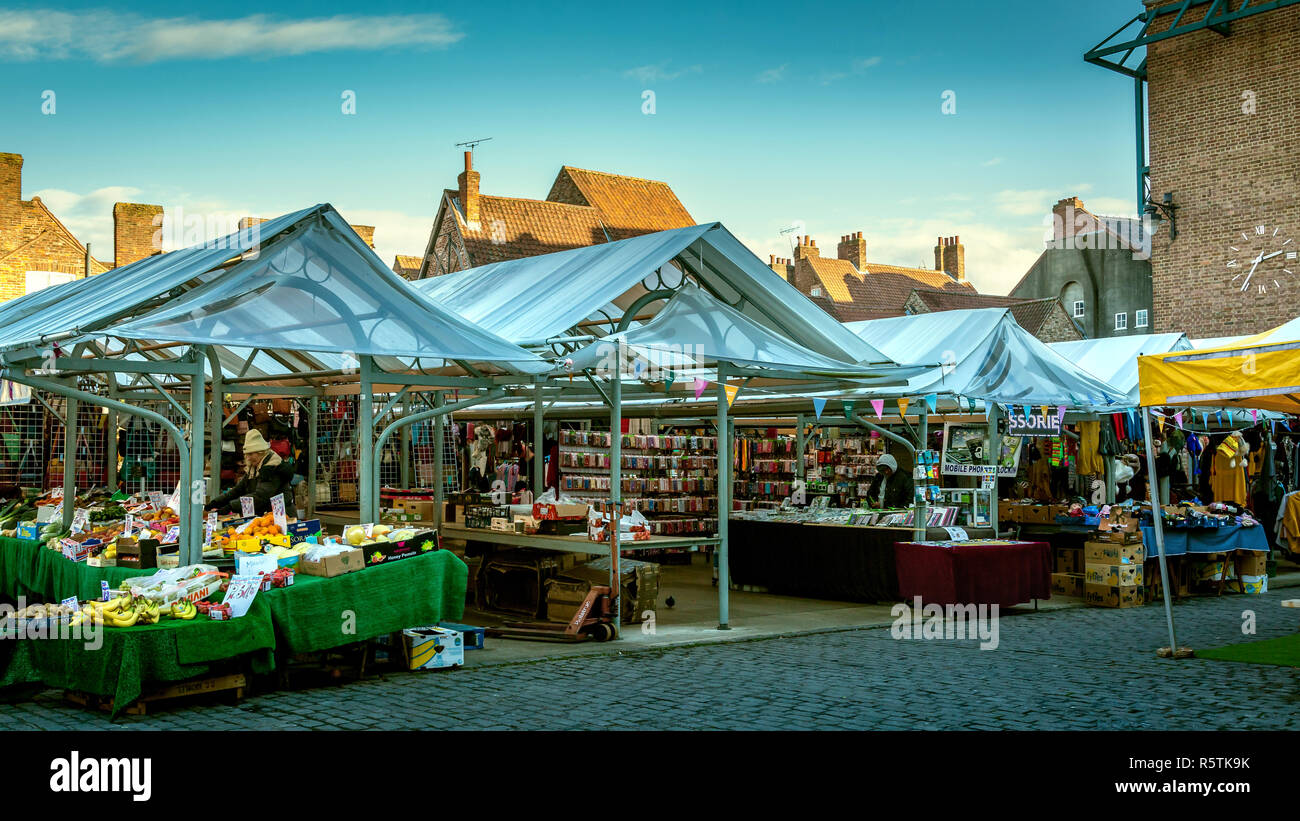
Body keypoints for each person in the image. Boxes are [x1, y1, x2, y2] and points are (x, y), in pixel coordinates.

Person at [206, 430, 295, 515]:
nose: (248, 458)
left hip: (281, 517)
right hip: (266, 516)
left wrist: (230, 507)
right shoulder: (254, 468)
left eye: (251, 454)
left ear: (261, 452)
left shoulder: (272, 468)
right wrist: (215, 503)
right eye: (246, 454)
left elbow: (260, 497)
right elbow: (238, 490)